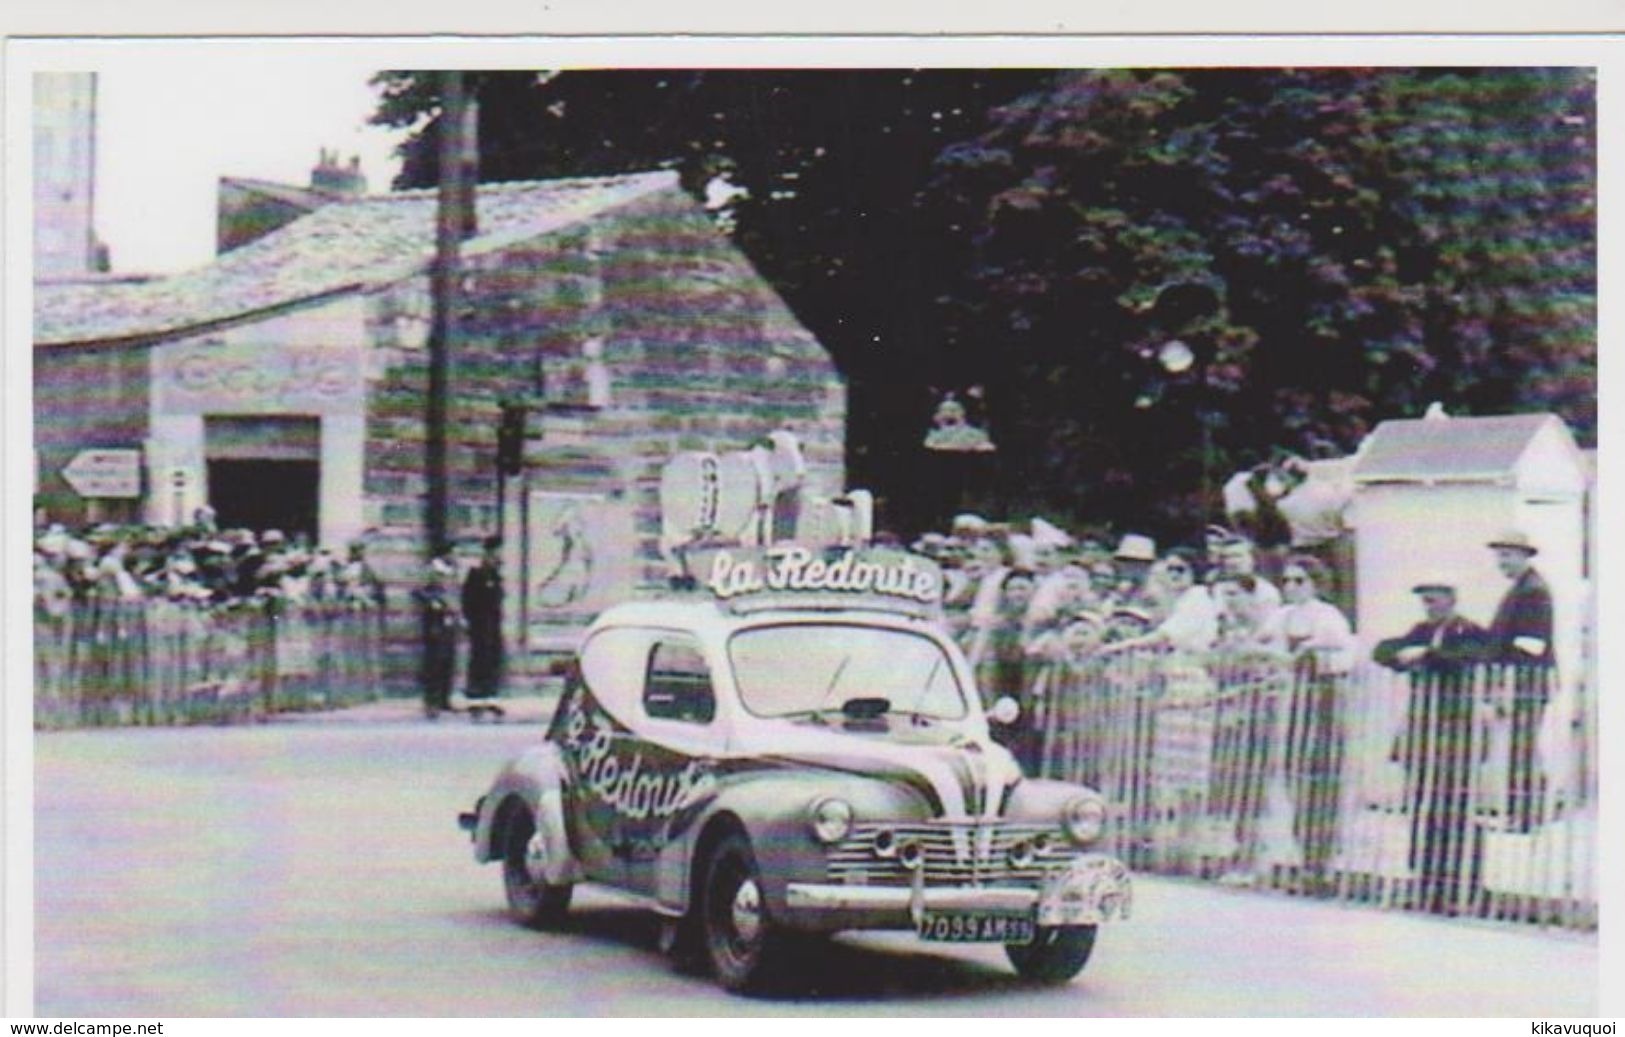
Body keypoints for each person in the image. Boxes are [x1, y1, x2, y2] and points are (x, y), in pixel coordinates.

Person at [1374, 580, 1488, 915]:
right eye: (1425, 602)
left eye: (1435, 601)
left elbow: (1467, 658)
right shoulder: (1421, 630)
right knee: (1421, 808)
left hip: (1456, 735)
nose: (1430, 608)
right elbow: (1383, 650)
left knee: (1456, 810)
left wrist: (1427, 655)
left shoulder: (1468, 631)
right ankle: (1425, 881)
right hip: (1423, 732)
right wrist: (1403, 655)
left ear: (1452, 600)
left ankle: (1461, 884)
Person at [1263, 555, 1356, 895]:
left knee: (1323, 780)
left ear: (1315, 583)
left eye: (1299, 581)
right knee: (1296, 778)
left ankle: (1324, 863)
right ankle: (1305, 859)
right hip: (1295, 701)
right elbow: (1263, 643)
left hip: (1324, 700)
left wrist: (1310, 648)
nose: (1291, 587)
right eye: (1286, 581)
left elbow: (1342, 650)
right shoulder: (1282, 616)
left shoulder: (1327, 615)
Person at [1484, 531, 1555, 834]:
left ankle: (1524, 815)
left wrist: (1506, 682)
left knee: (1522, 748)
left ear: (1525, 556)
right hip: (1522, 679)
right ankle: (1523, 812)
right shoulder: (1521, 588)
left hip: (1527, 680)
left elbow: (1531, 644)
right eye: (1499, 555)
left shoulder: (1532, 592)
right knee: (1521, 747)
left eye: (1508, 555)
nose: (1502, 562)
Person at [462, 536, 506, 706]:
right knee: (480, 657)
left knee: (493, 656)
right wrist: (470, 620)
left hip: (493, 623)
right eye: (496, 552)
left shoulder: (496, 574)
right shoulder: (477, 574)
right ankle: (476, 692)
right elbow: (468, 599)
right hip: (480, 623)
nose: (498, 556)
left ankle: (490, 692)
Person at [415, 556, 459, 717]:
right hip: (435, 622)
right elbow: (419, 591)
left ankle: (444, 699)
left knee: (448, 661)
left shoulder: (453, 569)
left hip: (449, 621)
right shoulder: (433, 568)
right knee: (433, 663)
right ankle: (431, 701)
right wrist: (432, 601)